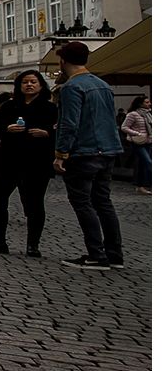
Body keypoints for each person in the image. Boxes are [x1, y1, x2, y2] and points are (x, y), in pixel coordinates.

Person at [53, 41, 124, 270]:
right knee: (103, 202)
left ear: (63, 61)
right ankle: (114, 254)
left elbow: (69, 123)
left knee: (83, 203)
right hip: (108, 149)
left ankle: (96, 254)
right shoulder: (103, 85)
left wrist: (61, 153)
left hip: (84, 151)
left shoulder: (72, 88)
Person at [0, 71, 57, 258]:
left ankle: (33, 245)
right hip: (8, 160)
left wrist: (47, 134)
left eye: (33, 82)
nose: (29, 85)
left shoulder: (49, 108)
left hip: (36, 161)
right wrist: (6, 129)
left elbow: (60, 131)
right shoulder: (9, 106)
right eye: (25, 82)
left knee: (34, 203)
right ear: (19, 86)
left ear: (41, 85)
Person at [120, 95, 151, 195]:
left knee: (142, 165)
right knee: (149, 163)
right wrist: (137, 134)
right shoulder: (133, 114)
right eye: (146, 102)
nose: (149, 104)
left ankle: (140, 186)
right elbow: (124, 127)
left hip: (148, 142)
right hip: (137, 142)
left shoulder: (149, 114)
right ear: (140, 103)